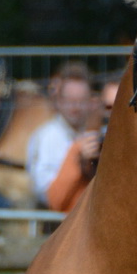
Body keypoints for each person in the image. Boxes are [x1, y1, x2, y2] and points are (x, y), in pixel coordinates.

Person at [25, 62, 97, 205]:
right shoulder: (46, 137)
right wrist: (77, 157)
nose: (75, 107)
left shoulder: (95, 134)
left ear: (91, 102)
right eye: (70, 100)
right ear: (59, 100)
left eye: (82, 100)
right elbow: (47, 195)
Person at [44, 75, 118, 214]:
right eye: (108, 107)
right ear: (98, 106)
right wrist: (80, 160)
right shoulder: (82, 146)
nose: (113, 113)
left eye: (121, 106)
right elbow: (54, 200)